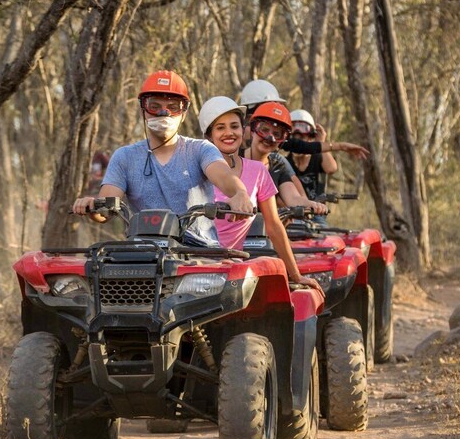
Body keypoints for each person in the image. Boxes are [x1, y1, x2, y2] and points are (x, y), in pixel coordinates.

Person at [72, 70, 253, 244]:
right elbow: (107, 209)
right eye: (155, 106)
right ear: (143, 110)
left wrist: (240, 193)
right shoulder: (124, 157)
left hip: (199, 253)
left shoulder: (200, 149)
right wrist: (92, 206)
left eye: (173, 107)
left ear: (183, 113)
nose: (163, 113)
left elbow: (223, 176)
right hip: (145, 253)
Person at [199, 96, 322, 292]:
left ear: (243, 130)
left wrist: (296, 274)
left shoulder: (258, 171)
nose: (229, 133)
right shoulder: (196, 169)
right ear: (209, 135)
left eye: (234, 126)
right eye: (220, 128)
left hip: (233, 267)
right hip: (196, 263)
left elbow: (274, 226)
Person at [239, 79, 369, 158]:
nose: (268, 136)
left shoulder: (276, 156)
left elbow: (304, 147)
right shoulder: (234, 137)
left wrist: (341, 146)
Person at [241, 102, 328, 215]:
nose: (269, 138)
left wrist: (312, 204)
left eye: (277, 134)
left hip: (263, 229)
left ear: (283, 140)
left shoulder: (278, 167)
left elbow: (293, 198)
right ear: (253, 130)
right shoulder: (234, 158)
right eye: (264, 130)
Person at [287, 109, 338, 201]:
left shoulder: (318, 157)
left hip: (317, 211)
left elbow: (331, 168)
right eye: (295, 142)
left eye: (302, 141)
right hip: (293, 211)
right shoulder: (285, 162)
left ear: (311, 138)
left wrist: (321, 142)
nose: (299, 146)